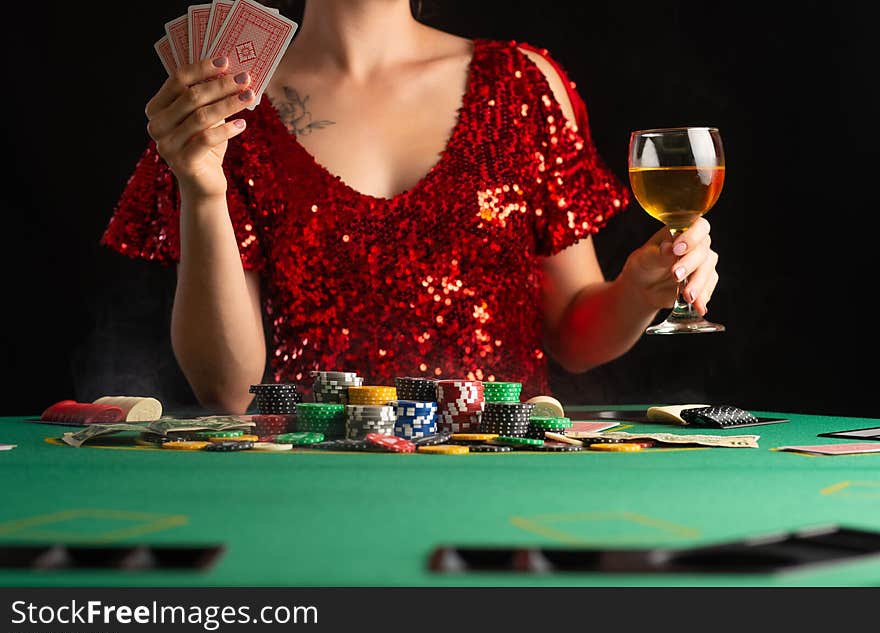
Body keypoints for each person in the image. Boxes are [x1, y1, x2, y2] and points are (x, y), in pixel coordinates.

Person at [103, 0, 719, 414]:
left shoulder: (521, 83)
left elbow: (575, 338)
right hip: (304, 487)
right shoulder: (222, 106)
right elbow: (229, 392)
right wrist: (202, 187)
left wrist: (640, 291)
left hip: (501, 485)